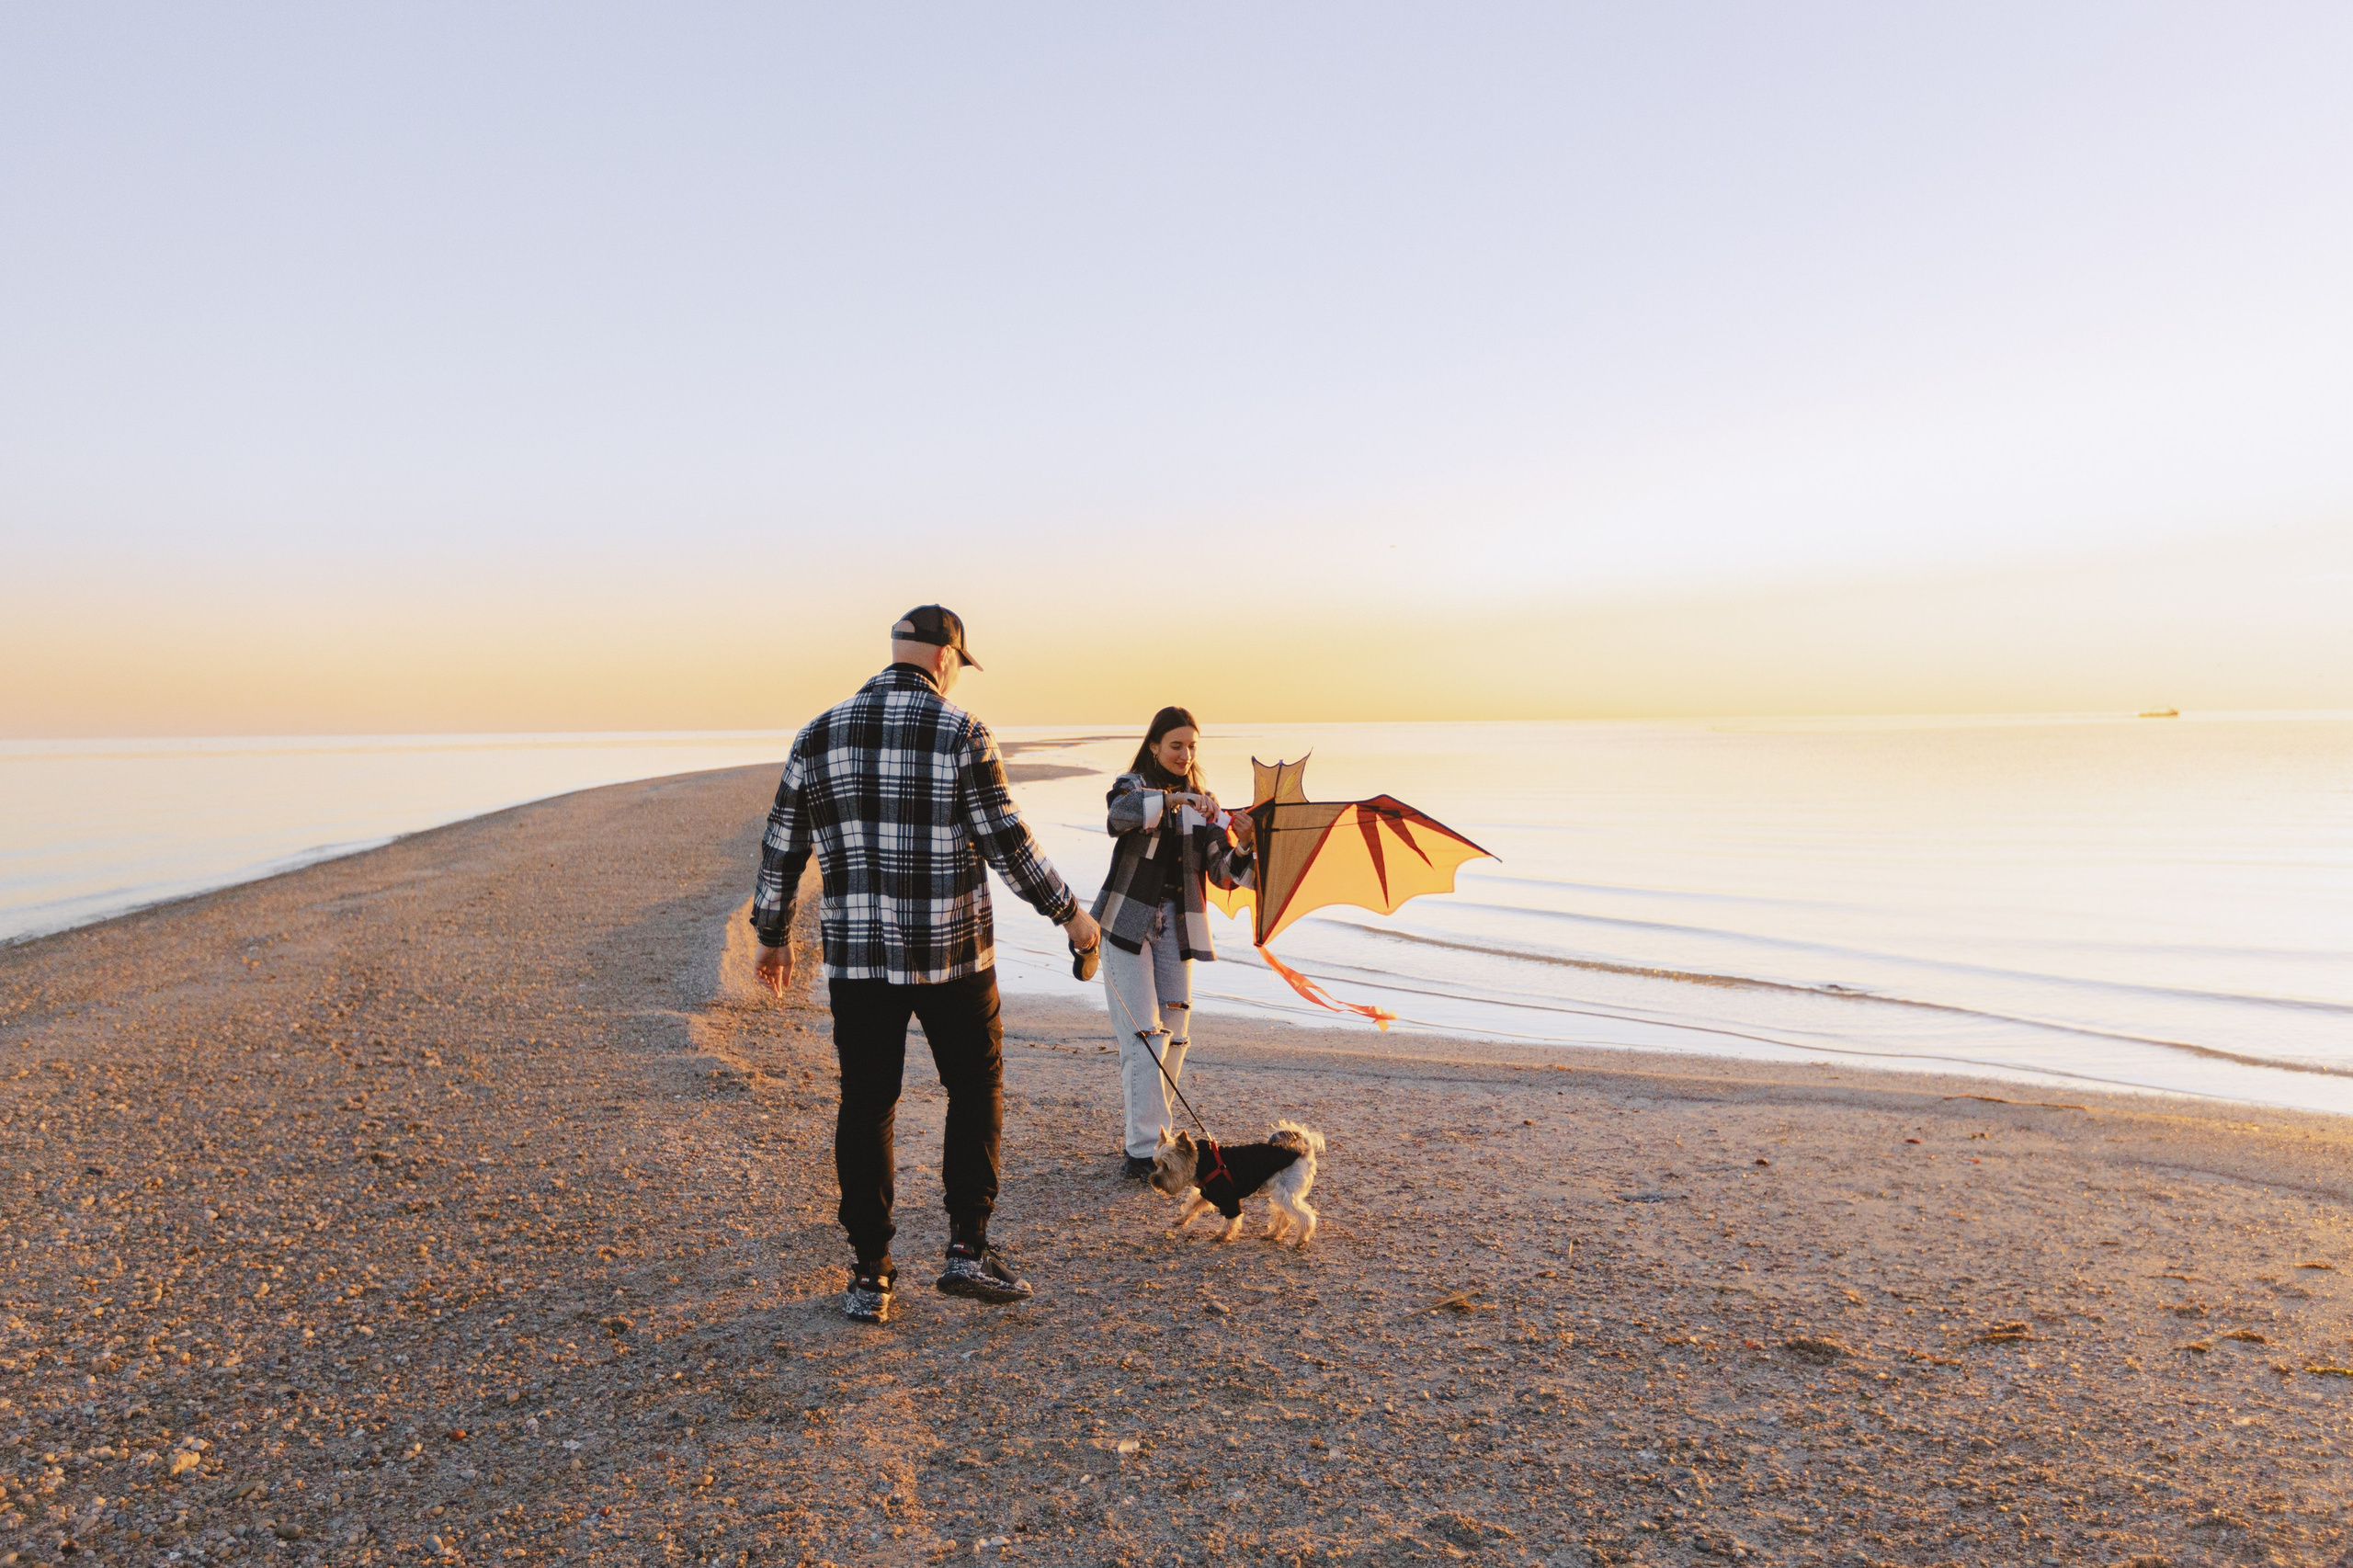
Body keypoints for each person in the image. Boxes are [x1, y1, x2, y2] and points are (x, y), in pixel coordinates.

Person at [750, 605, 1101, 1325]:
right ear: (947, 658)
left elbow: (783, 840)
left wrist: (773, 932)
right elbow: (1008, 844)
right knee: (974, 1086)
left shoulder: (818, 733)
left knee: (868, 1101)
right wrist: (1073, 917)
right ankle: (967, 1249)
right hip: (954, 954)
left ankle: (870, 1276)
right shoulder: (962, 732)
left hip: (858, 957)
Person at [1089, 707, 1256, 1179]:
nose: (1185, 754)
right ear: (1155, 746)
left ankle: (1153, 1139)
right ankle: (1143, 1151)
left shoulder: (1205, 805)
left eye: (1192, 746)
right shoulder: (1133, 786)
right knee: (1144, 1038)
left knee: (1175, 1036)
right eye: (1176, 745)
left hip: (1176, 929)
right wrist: (1176, 798)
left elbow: (1227, 875)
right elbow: (1118, 817)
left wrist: (1242, 842)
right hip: (1126, 925)